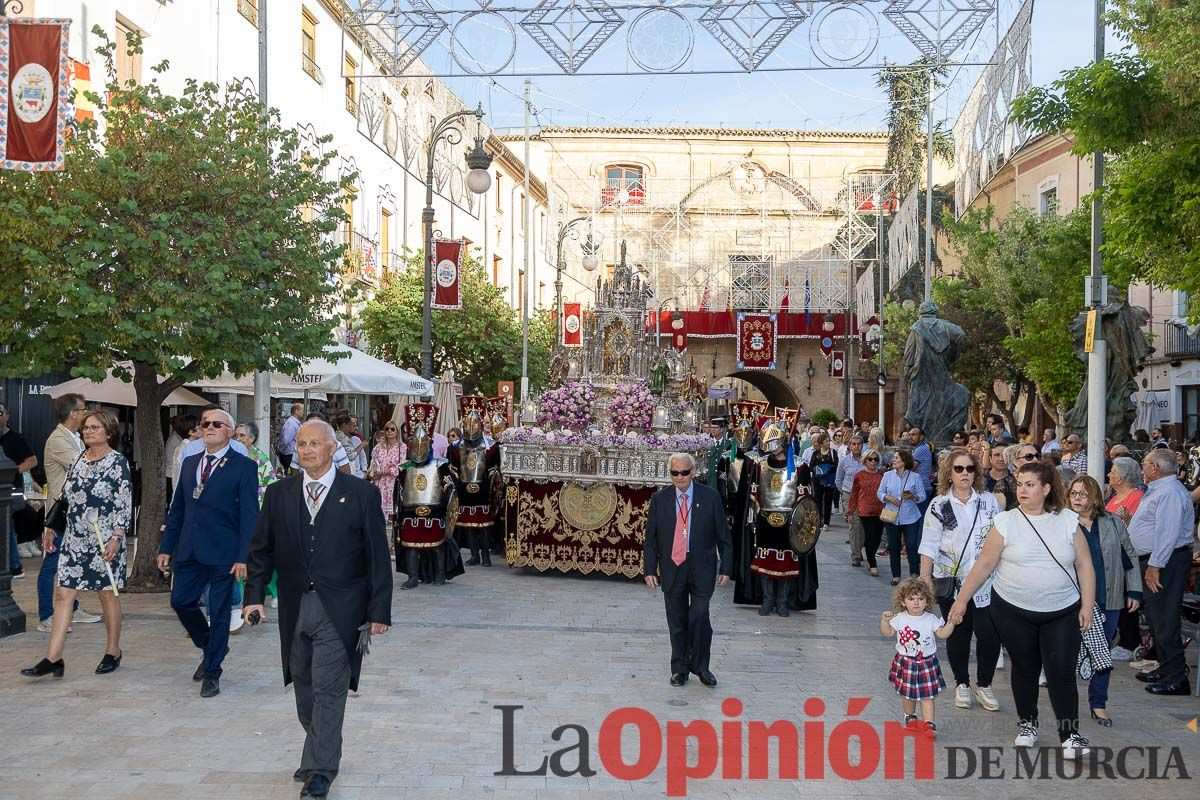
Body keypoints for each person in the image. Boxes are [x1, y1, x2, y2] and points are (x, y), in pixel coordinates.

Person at [242, 420, 393, 800]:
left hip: (340, 609)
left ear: (331, 448)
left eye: (314, 444)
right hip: (295, 606)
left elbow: (378, 556)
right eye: (301, 444)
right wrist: (253, 596)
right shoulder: (279, 494)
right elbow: (261, 550)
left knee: (329, 688)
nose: (305, 450)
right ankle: (318, 749)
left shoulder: (359, 494)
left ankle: (322, 771)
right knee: (304, 688)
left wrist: (379, 610)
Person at [949, 460, 1096, 757]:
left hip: (1062, 609)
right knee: (1025, 667)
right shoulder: (1006, 522)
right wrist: (961, 600)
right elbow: (984, 565)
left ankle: (1070, 735)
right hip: (1013, 609)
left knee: (1061, 671)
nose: (1023, 490)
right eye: (1020, 484)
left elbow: (1085, 565)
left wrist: (1088, 605)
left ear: (1046, 489)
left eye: (1030, 485)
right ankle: (1027, 723)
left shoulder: (1068, 520)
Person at [158, 408, 260, 698]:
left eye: (217, 424)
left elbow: (249, 516)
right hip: (190, 548)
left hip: (224, 552)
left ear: (229, 431)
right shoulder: (190, 463)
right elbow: (177, 509)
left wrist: (244, 557)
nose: (209, 427)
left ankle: (212, 671)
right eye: (205, 424)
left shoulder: (243, 466)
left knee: (219, 611)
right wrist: (167, 547)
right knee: (180, 602)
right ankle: (212, 645)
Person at [22, 410, 130, 679]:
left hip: (104, 538)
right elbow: (65, 496)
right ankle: (53, 657)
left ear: (109, 432)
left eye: (94, 427)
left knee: (107, 593)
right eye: (86, 427)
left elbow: (123, 503)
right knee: (63, 594)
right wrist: (50, 528)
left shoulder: (118, 462)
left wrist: (117, 537)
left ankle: (113, 650)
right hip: (74, 538)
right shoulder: (79, 458)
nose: (88, 431)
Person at [918, 448, 1003, 713]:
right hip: (951, 579)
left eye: (969, 469)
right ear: (949, 473)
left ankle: (984, 683)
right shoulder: (939, 505)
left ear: (976, 472)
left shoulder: (989, 502)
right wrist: (925, 577)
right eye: (959, 469)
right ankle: (962, 684)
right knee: (958, 631)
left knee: (989, 634)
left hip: (987, 581)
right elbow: (929, 544)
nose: (965, 474)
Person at [643, 452, 732, 688]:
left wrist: (727, 567)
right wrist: (650, 569)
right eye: (674, 473)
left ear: (693, 472)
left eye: (684, 472)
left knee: (699, 616)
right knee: (677, 620)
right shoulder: (659, 499)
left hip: (702, 566)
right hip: (673, 567)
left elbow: (724, 536)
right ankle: (680, 668)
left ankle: (701, 666)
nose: (679, 477)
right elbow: (650, 539)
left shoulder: (710, 497)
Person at [1067, 475, 1142, 725]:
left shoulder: (1112, 522)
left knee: (1102, 653)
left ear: (1095, 497)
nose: (1077, 498)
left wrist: (1133, 591)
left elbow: (1128, 557)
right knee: (1066, 652)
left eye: (1083, 494)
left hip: (1108, 598)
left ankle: (1098, 703)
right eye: (1073, 493)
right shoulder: (1062, 523)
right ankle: (1065, 703)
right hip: (1070, 600)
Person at [1126, 448, 1196, 695]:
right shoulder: (1160, 490)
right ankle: (1166, 668)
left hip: (1167, 562)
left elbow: (1167, 533)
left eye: (1144, 463)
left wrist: (1155, 566)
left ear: (1155, 468)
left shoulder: (1170, 493)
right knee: (1156, 618)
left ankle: (1177, 677)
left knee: (1165, 619)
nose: (1142, 468)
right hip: (1158, 560)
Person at [37, 393, 100, 631]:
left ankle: (73, 609)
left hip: (76, 511)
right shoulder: (58, 440)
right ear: (73, 413)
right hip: (60, 512)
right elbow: (82, 466)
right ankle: (45, 615)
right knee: (53, 564)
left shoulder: (74, 437)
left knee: (73, 562)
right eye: (83, 410)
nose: (85, 414)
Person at [393, 403, 461, 590]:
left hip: (435, 509)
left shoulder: (440, 465)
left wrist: (448, 503)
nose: (419, 447)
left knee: (437, 545)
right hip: (411, 511)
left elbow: (450, 487)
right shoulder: (405, 467)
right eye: (415, 443)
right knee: (412, 546)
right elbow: (399, 492)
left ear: (430, 444)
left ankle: (439, 573)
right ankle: (413, 576)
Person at [749, 421, 812, 616]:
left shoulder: (800, 466)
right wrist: (754, 517)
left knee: (786, 562)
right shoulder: (760, 465)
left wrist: (800, 523)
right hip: (766, 519)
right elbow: (755, 493)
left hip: (789, 521)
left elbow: (805, 498)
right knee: (766, 560)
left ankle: (782, 601)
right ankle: (767, 599)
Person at [881, 578, 955, 736]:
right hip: (906, 662)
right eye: (911, 599)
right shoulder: (900, 618)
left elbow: (942, 634)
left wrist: (951, 623)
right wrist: (885, 621)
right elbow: (887, 633)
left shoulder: (931, 619)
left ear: (927, 601)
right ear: (903, 601)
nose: (916, 603)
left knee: (927, 696)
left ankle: (929, 723)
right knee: (908, 695)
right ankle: (910, 716)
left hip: (927, 663)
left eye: (921, 599)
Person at [449, 397, 500, 567]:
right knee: (469, 525)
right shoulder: (457, 447)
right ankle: (474, 554)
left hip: (483, 489)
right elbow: (453, 468)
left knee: (483, 526)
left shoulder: (489, 446)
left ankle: (485, 555)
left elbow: (493, 470)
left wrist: (491, 486)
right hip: (465, 488)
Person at [877, 449, 926, 586]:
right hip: (892, 516)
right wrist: (888, 498)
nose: (893, 460)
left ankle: (914, 574)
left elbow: (922, 496)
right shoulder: (887, 475)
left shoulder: (915, 477)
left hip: (910, 516)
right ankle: (896, 575)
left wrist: (913, 496)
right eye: (893, 458)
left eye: (896, 458)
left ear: (904, 461)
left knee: (911, 545)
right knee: (893, 546)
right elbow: (879, 492)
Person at [0, 399, 37, 579]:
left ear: (7, 416)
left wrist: (11, 472)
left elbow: (32, 460)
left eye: (0, 413)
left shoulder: (16, 438)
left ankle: (15, 567)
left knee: (7, 527)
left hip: (11, 490)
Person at [848, 448, 885, 576]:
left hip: (880, 510)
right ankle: (872, 562)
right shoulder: (859, 475)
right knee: (869, 536)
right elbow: (854, 494)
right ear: (865, 461)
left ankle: (870, 556)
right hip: (864, 509)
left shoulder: (882, 474)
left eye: (875, 459)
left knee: (877, 538)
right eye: (870, 459)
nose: (873, 462)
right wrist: (851, 512)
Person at [836, 434, 867, 566]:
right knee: (854, 525)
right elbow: (838, 480)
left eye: (858, 444)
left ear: (862, 445)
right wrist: (844, 494)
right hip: (849, 495)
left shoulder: (868, 459)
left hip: (864, 496)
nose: (856, 446)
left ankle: (859, 549)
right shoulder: (844, 461)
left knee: (864, 526)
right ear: (849, 445)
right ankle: (856, 555)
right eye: (853, 444)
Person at [367, 420, 403, 527]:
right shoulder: (378, 447)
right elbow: (373, 463)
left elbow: (402, 466)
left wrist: (385, 471)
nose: (389, 431)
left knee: (393, 518)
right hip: (379, 483)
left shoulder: (402, 448)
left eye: (392, 429)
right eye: (387, 429)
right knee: (378, 515)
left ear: (397, 432)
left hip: (393, 483)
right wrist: (371, 473)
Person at [807, 431, 839, 531]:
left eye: (828, 441)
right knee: (818, 501)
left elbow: (837, 465)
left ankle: (826, 522)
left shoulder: (833, 453)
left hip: (829, 480)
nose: (828, 443)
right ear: (821, 444)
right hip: (818, 480)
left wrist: (829, 468)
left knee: (828, 501)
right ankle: (819, 520)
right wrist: (819, 470)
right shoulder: (815, 454)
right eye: (825, 441)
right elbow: (811, 466)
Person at [984, 444, 1016, 511]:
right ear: (990, 458)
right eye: (997, 455)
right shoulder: (980, 479)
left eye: (1005, 455)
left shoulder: (1016, 481)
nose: (1001, 459)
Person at [276, 402, 304, 473]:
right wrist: (281, 451)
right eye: (303, 410)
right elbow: (285, 441)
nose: (304, 412)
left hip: (290, 454)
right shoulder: (291, 424)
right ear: (296, 411)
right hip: (289, 455)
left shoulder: (295, 423)